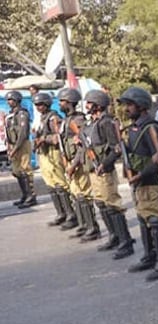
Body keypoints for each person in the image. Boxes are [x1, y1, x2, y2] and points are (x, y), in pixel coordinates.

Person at [117, 87, 158, 281]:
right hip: (138, 182)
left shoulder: (150, 127)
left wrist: (140, 174)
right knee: (143, 217)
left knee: (155, 220)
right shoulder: (135, 127)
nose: (126, 109)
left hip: (147, 180)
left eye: (130, 105)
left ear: (141, 106)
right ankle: (150, 255)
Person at [83, 89, 135, 260]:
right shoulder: (93, 123)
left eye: (89, 103)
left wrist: (105, 164)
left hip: (104, 170)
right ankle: (114, 236)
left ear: (98, 105)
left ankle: (125, 241)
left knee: (113, 205)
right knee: (101, 203)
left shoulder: (106, 123)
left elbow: (116, 148)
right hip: (93, 170)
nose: (87, 106)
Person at [33, 92, 76, 228]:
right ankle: (61, 213)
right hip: (44, 154)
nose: (38, 107)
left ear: (46, 104)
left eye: (40, 104)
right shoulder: (42, 118)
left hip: (53, 153)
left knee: (60, 184)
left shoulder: (53, 118)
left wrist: (43, 139)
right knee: (51, 185)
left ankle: (71, 214)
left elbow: (58, 138)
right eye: (36, 105)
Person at [57, 88, 95, 236]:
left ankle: (92, 227)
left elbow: (82, 145)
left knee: (84, 195)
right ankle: (83, 224)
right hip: (70, 160)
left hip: (78, 162)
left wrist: (74, 164)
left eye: (62, 101)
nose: (60, 104)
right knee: (76, 193)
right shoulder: (66, 120)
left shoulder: (77, 120)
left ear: (70, 102)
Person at [4, 90, 37, 208]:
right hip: (13, 145)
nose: (9, 102)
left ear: (17, 100)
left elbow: (23, 133)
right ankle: (25, 194)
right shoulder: (10, 115)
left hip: (22, 144)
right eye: (8, 100)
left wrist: (16, 147)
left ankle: (31, 196)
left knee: (25, 170)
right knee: (17, 171)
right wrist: (10, 147)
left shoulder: (22, 114)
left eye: (11, 100)